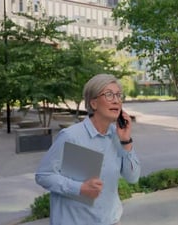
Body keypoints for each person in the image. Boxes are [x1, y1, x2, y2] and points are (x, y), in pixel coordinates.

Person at [35, 74, 141, 225]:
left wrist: (126, 141)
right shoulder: (71, 136)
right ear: (94, 103)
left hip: (110, 220)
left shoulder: (117, 137)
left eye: (118, 95)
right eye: (109, 95)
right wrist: (79, 188)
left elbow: (133, 177)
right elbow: (43, 175)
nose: (116, 100)